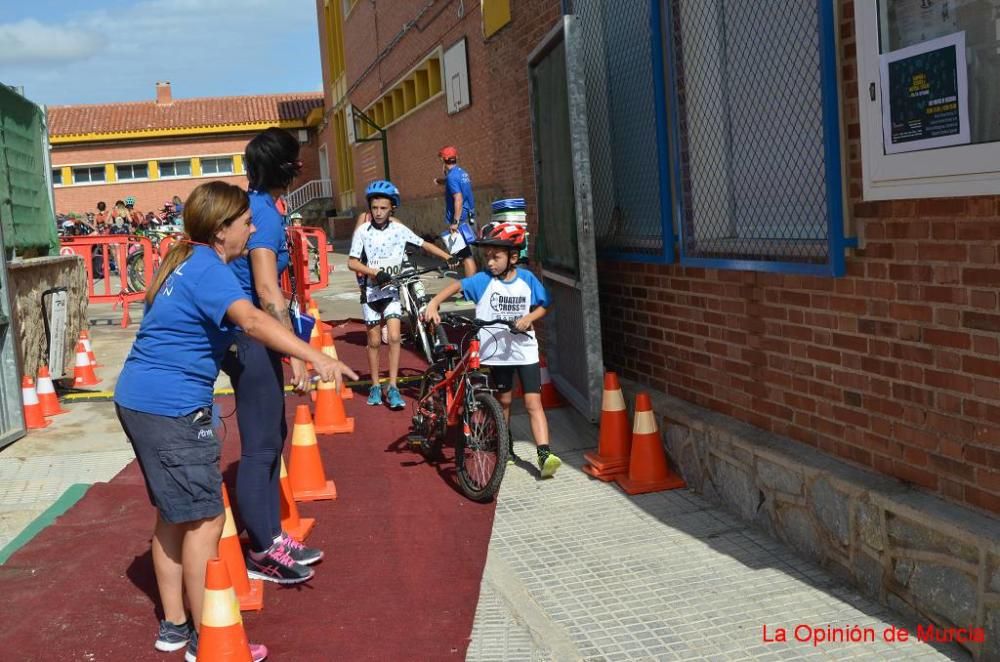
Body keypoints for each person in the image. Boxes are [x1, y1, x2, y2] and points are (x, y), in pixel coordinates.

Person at [113, 181, 357, 661]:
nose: (252, 229)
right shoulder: (208, 269)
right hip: (172, 409)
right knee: (205, 520)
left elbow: (191, 329)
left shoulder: (181, 261)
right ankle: (210, 639)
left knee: (172, 516)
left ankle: (175, 627)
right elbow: (252, 319)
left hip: (138, 399)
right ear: (222, 229)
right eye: (246, 222)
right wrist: (315, 357)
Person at [223, 127, 320, 584]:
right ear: (288, 168)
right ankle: (261, 551)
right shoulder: (264, 212)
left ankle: (271, 536)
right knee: (261, 445)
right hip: (253, 336)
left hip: (254, 335)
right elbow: (266, 289)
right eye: (298, 160)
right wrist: (297, 352)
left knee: (272, 435)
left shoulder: (259, 205)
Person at [423, 222, 561, 477]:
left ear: (513, 257)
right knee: (504, 402)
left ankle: (544, 454)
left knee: (533, 402)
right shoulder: (483, 280)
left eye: (496, 257)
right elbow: (457, 286)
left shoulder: (527, 279)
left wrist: (530, 318)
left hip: (524, 350)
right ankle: (505, 448)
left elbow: (544, 304)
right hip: (497, 352)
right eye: (487, 257)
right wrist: (433, 304)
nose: (490, 262)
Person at [347, 179, 453, 409]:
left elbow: (423, 244)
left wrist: (448, 257)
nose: (378, 212)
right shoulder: (363, 232)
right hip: (372, 292)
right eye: (374, 208)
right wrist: (374, 272)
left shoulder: (398, 229)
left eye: (383, 208)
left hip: (392, 291)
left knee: (395, 337)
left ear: (392, 208)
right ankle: (375, 385)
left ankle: (393, 387)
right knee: (374, 342)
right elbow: (352, 263)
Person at [433, 145, 477, 278]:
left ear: (443, 160)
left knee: (465, 256)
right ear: (456, 158)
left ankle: (470, 289)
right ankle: (470, 286)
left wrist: (455, 222)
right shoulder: (462, 173)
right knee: (466, 254)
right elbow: (453, 181)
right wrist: (441, 181)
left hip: (460, 220)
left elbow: (458, 198)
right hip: (467, 216)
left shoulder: (452, 177)